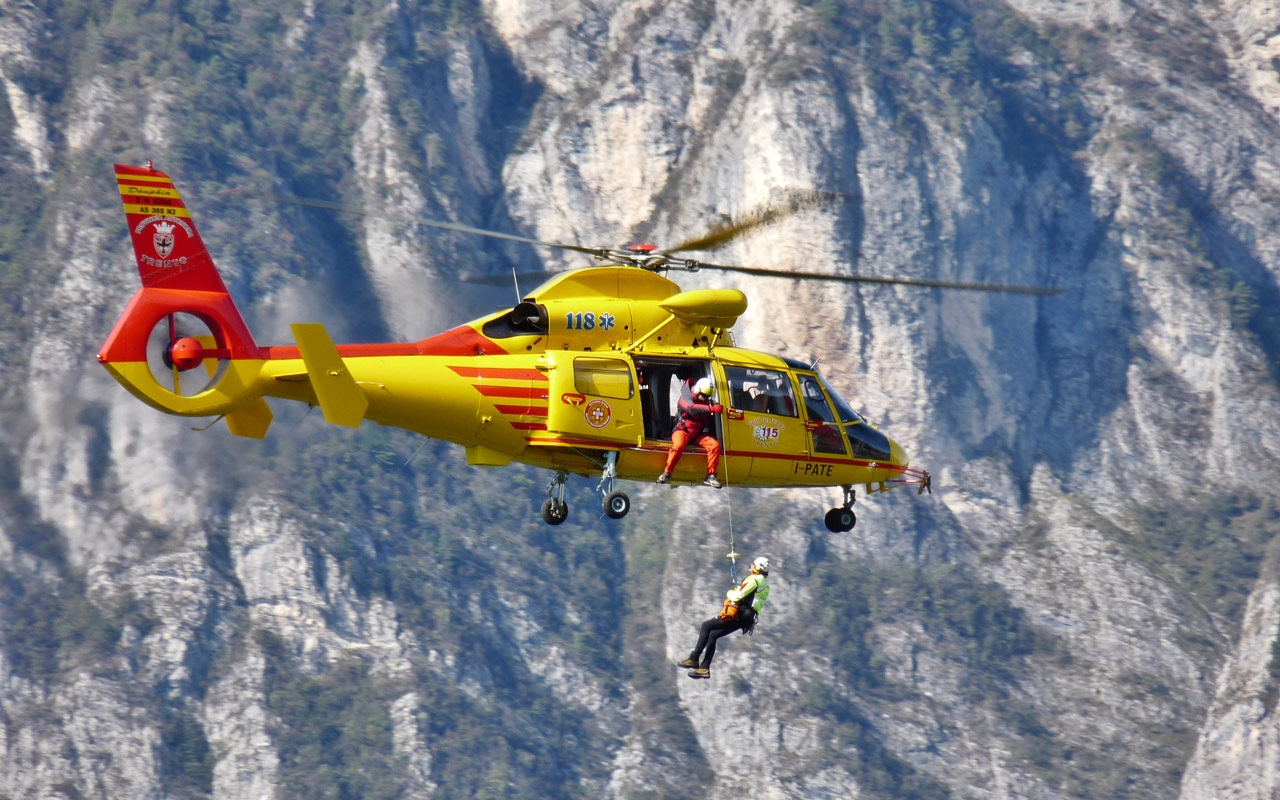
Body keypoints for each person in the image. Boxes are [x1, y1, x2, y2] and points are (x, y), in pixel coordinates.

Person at [677, 556, 771, 679]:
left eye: (753, 564)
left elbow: (737, 597)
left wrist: (730, 593)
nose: (751, 565)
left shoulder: (754, 580)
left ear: (758, 568)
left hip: (741, 614)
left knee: (706, 625)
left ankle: (693, 659)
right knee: (713, 635)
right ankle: (704, 668)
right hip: (748, 618)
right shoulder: (765, 584)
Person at [657, 376, 724, 488]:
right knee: (678, 446)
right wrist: (712, 409)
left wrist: (707, 430)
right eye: (703, 396)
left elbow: (705, 419)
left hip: (697, 433)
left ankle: (711, 475)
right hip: (682, 430)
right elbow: (691, 408)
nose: (704, 399)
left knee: (715, 446)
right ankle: (667, 472)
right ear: (697, 391)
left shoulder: (705, 402)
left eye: (707, 397)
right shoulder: (685, 398)